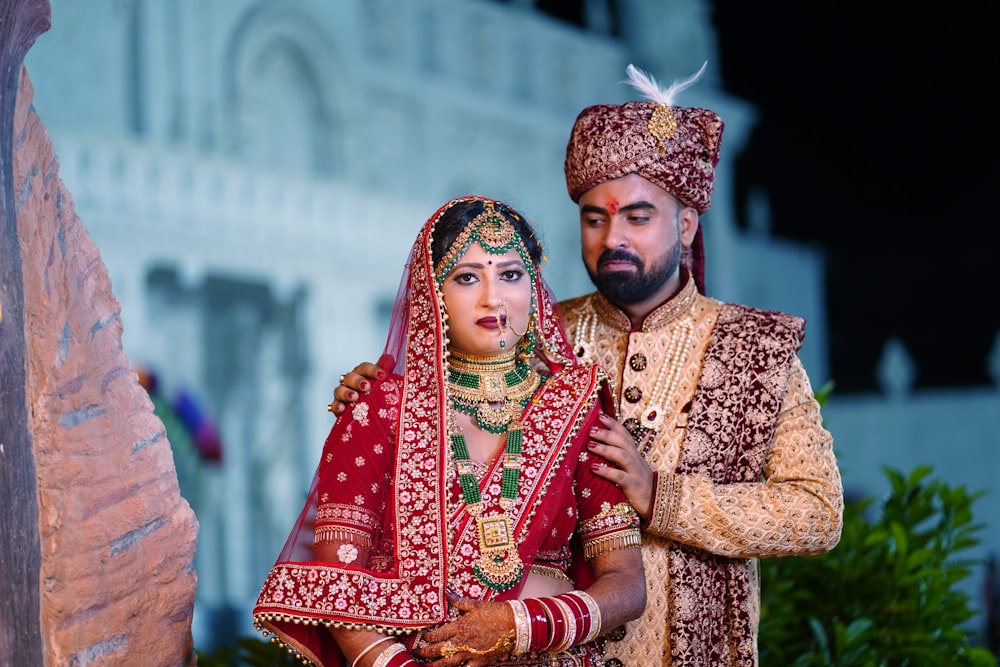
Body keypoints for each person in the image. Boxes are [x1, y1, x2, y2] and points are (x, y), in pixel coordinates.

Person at [329, 66, 844, 666]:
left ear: (686, 223)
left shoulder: (757, 350)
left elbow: (818, 512)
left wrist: (663, 498)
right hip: (531, 649)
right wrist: (378, 394)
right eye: (594, 218)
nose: (612, 237)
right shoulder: (533, 335)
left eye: (638, 217)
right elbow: (438, 404)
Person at [254, 196, 646, 667]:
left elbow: (625, 584)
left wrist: (518, 628)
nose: (492, 297)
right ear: (433, 292)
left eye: (510, 274)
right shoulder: (379, 407)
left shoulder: (576, 404)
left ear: (534, 287)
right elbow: (339, 581)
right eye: (466, 278)